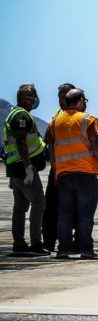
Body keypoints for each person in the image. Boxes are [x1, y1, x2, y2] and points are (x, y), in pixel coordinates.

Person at [47, 88, 98, 259]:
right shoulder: (87, 120)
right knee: (85, 216)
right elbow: (95, 144)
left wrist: (56, 169)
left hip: (64, 175)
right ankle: (86, 250)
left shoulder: (54, 122)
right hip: (85, 174)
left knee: (64, 215)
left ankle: (63, 250)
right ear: (80, 100)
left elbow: (51, 147)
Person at [4, 84, 48, 255]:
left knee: (20, 206)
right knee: (39, 203)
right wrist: (28, 167)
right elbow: (21, 141)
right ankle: (36, 242)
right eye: (34, 96)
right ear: (26, 97)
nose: (36, 99)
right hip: (24, 168)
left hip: (15, 168)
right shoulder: (22, 115)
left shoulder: (12, 114)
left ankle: (19, 243)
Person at [41, 83, 76, 251]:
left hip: (76, 170)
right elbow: (50, 143)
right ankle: (48, 242)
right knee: (51, 208)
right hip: (58, 169)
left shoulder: (81, 116)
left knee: (77, 209)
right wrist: (54, 169)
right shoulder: (56, 116)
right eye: (59, 97)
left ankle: (78, 242)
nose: (62, 100)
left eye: (64, 97)